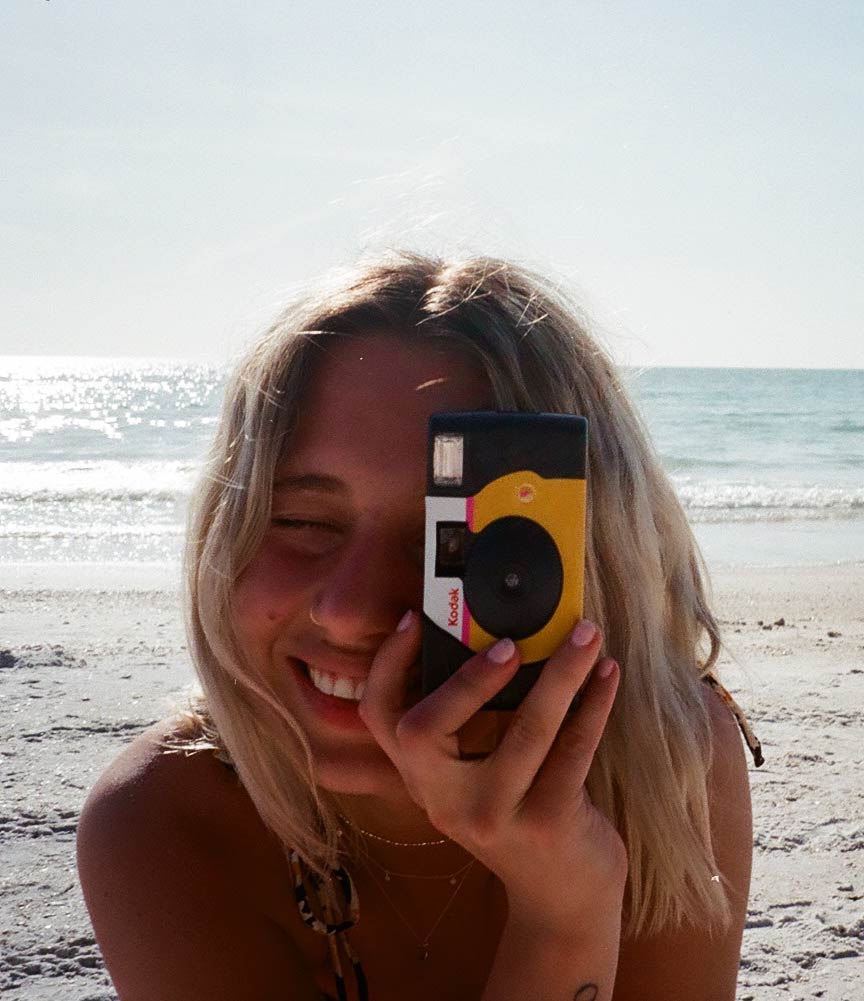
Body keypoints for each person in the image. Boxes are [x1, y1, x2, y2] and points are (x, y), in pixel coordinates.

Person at [77, 253, 760, 1001]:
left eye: (448, 540)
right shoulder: (169, 818)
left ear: (586, 556)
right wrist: (562, 922)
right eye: (302, 518)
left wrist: (566, 896)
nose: (348, 608)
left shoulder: (664, 766)